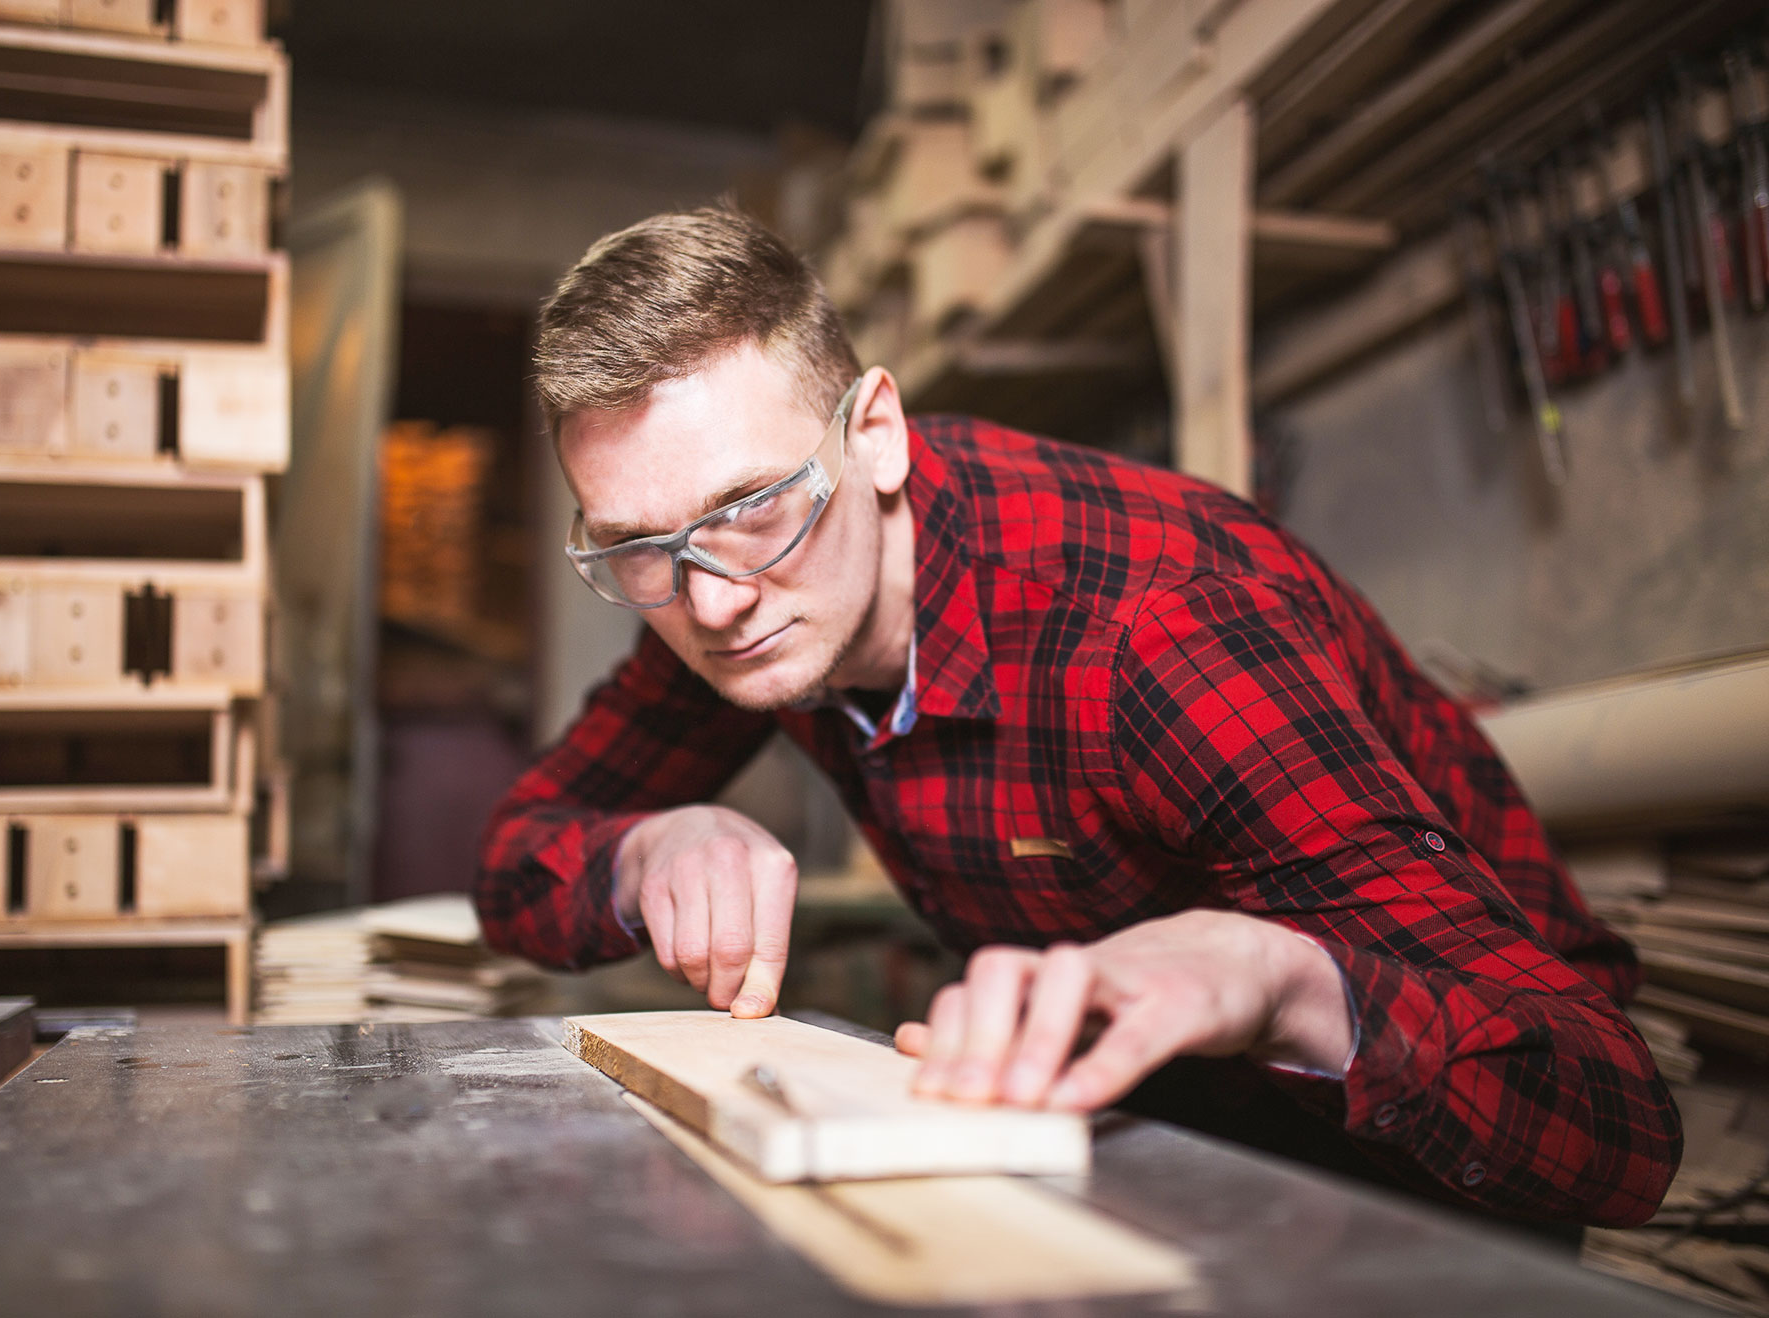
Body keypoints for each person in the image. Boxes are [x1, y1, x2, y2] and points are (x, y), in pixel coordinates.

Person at [477, 205, 1680, 1227]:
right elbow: (515, 857)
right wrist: (644, 852)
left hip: (1424, 1183)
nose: (713, 600)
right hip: (1159, 1152)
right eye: (640, 543)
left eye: (751, 508)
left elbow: (1613, 1122)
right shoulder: (722, 584)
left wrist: (1287, 982)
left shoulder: (1156, 633)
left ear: (876, 435)